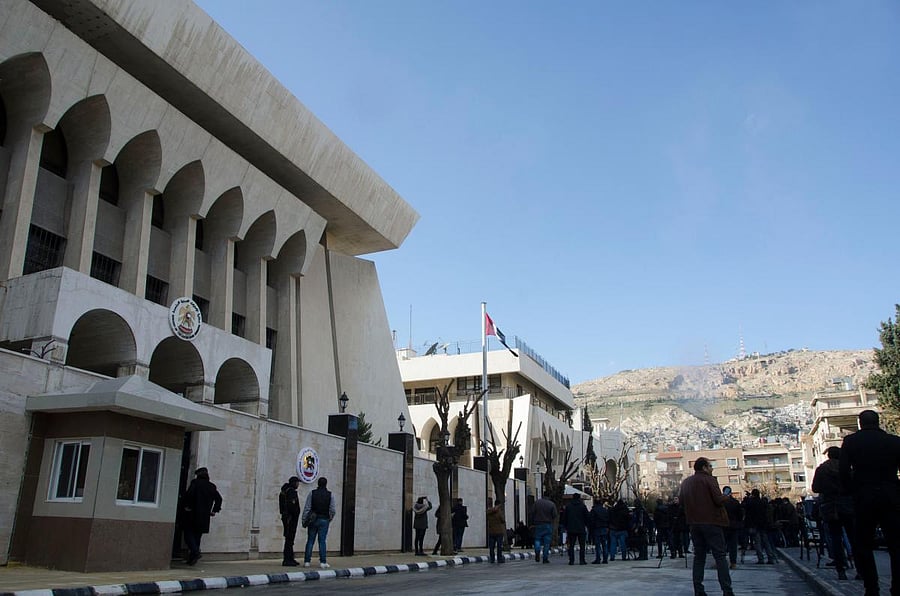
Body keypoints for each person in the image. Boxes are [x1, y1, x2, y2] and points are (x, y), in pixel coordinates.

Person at [840, 409, 900, 596]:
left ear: (860, 423)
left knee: (863, 545)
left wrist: (851, 490)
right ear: (878, 421)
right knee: (896, 545)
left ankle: (871, 587)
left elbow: (843, 471)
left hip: (863, 496)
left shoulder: (851, 441)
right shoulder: (894, 441)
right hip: (891, 496)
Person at [679, 457, 734, 596]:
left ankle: (698, 590)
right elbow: (718, 500)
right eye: (710, 466)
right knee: (720, 556)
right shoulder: (709, 480)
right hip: (712, 522)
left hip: (694, 523)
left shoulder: (686, 482)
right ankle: (727, 590)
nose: (712, 468)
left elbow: (681, 502)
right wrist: (726, 495)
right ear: (704, 467)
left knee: (699, 557)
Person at [812, 446, 854, 580]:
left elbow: (815, 488)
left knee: (835, 538)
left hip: (830, 506)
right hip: (847, 505)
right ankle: (861, 570)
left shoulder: (822, 469)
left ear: (828, 455)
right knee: (853, 537)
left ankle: (841, 570)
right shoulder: (846, 468)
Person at [180, 467, 223, 566]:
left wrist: (187, 506)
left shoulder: (195, 483)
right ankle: (192, 559)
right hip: (204, 516)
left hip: (192, 514)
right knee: (197, 536)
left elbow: (189, 494)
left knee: (188, 534)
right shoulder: (211, 486)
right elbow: (219, 499)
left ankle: (195, 552)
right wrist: (214, 510)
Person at [302, 476, 336, 568]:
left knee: (310, 540)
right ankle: (323, 562)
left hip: (313, 519)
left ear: (318, 484)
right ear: (326, 484)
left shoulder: (312, 493)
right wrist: (329, 519)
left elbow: (307, 507)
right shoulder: (330, 494)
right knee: (322, 541)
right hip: (324, 519)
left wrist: (304, 520)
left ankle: (307, 561)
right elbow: (332, 509)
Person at [744, 489, 776, 564]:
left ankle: (761, 559)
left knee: (757, 542)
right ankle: (770, 558)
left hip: (754, 525)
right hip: (763, 525)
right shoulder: (763, 502)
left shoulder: (751, 503)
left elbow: (747, 513)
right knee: (766, 542)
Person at [279, 476, 301, 566]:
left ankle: (290, 558)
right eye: (297, 483)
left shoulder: (284, 491)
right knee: (289, 538)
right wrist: (294, 514)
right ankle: (287, 559)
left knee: (289, 538)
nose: (298, 484)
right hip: (290, 518)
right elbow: (292, 506)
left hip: (286, 517)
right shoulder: (291, 492)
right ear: (293, 483)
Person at [562, 494, 590, 565]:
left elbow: (564, 517)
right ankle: (582, 560)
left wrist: (565, 526)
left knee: (571, 545)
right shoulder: (583, 506)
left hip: (571, 528)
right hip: (581, 528)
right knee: (582, 545)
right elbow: (587, 517)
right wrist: (587, 525)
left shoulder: (568, 506)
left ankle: (571, 560)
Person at [722, 486, 744, 570]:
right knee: (733, 546)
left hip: (723, 526)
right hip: (733, 526)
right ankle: (733, 563)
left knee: (722, 545)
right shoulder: (735, 502)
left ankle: (721, 562)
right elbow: (740, 515)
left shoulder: (721, 502)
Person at [532, 494, 558, 563]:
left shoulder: (537, 503)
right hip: (548, 524)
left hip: (538, 524)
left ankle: (537, 551)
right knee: (547, 542)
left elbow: (532, 512)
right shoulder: (551, 504)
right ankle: (545, 558)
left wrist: (533, 522)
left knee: (537, 539)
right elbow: (555, 515)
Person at [590, 499, 611, 564]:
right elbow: (608, 519)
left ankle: (598, 559)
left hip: (597, 528)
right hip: (604, 528)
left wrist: (591, 528)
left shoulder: (594, 510)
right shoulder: (605, 510)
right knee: (604, 544)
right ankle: (605, 559)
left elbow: (591, 520)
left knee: (598, 545)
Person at [486, 499, 506, 563]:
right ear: (499, 505)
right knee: (499, 546)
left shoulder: (489, 511)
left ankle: (492, 559)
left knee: (491, 547)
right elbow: (503, 520)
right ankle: (499, 558)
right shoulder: (499, 512)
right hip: (499, 531)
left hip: (491, 531)